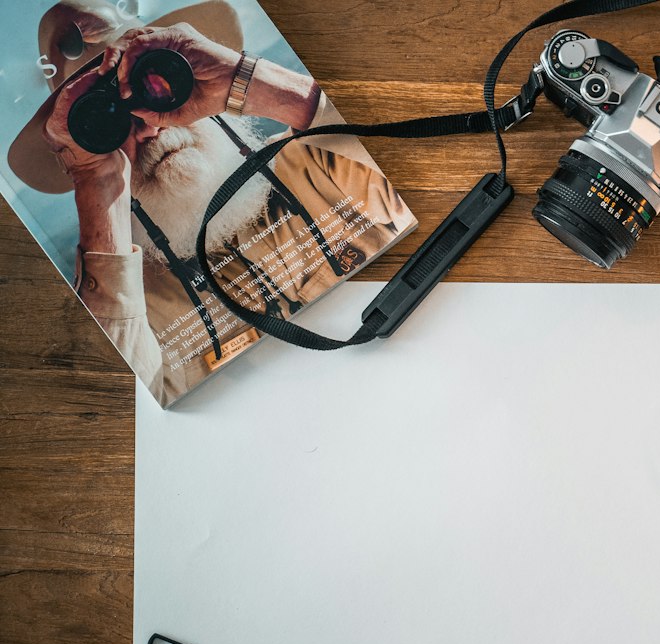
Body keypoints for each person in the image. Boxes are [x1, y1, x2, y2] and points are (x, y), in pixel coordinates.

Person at [9, 1, 415, 405]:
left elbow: (409, 160)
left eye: (156, 88)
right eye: (107, 120)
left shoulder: (313, 160)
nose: (149, 127)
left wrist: (241, 79)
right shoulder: (137, 302)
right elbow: (132, 403)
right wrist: (94, 180)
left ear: (188, 78)